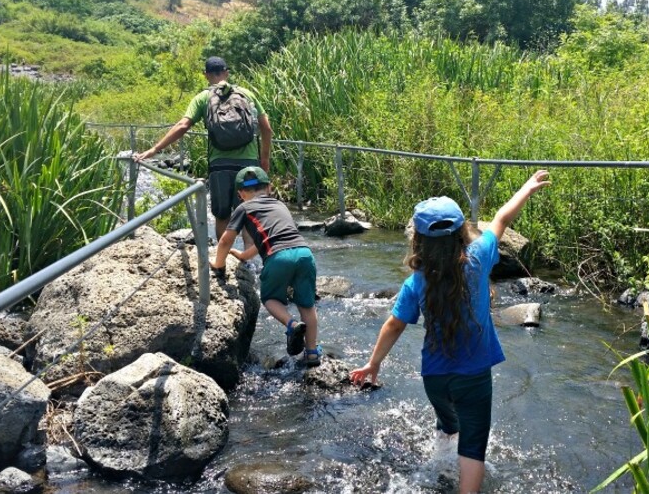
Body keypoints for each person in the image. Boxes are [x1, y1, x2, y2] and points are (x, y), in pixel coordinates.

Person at [350, 170, 551, 494]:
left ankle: (440, 467)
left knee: (447, 426)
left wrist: (373, 364)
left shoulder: (416, 281)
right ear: (462, 233)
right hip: (473, 378)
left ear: (418, 240)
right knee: (473, 446)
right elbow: (500, 219)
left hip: (435, 378)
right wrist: (526, 188)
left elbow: (394, 324)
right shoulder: (479, 258)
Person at [134, 56, 274, 241]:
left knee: (222, 214)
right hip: (248, 168)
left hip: (220, 168)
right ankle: (248, 264)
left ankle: (223, 262)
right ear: (227, 72)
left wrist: (154, 149)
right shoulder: (247, 94)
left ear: (206, 75)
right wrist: (264, 160)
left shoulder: (203, 98)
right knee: (248, 211)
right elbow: (267, 129)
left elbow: (182, 126)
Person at [209, 166, 322, 367]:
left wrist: (219, 263)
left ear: (240, 194)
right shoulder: (279, 205)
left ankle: (292, 324)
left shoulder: (243, 208)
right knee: (307, 304)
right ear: (269, 188)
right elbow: (268, 238)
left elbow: (226, 240)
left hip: (278, 258)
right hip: (305, 253)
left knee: (270, 299)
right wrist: (244, 255)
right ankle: (312, 352)